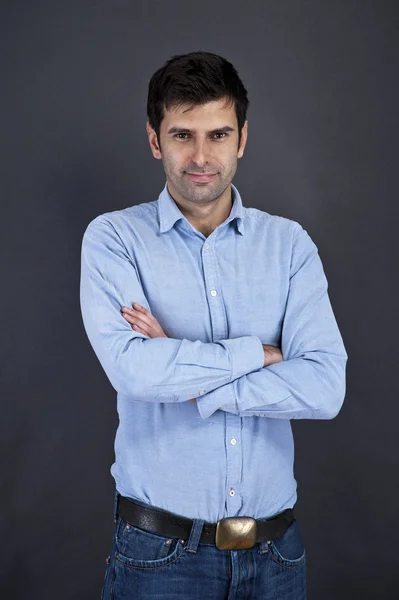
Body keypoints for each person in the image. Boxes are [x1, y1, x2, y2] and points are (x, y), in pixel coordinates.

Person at [80, 51, 347, 600]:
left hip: (276, 556)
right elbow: (135, 373)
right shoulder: (114, 239)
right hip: (159, 559)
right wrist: (260, 352)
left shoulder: (289, 245)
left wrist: (179, 359)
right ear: (155, 140)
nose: (201, 156)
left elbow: (324, 389)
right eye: (182, 135)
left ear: (242, 138)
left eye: (219, 134)